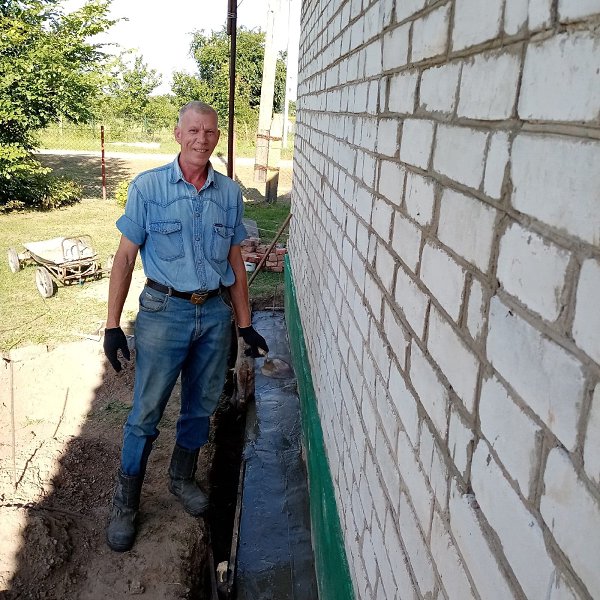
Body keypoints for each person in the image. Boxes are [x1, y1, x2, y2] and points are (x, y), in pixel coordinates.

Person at [102, 100, 268, 552]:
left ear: (217, 137)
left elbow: (235, 261)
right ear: (178, 134)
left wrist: (244, 325)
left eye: (209, 132)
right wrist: (113, 324)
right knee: (146, 412)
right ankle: (126, 502)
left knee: (201, 406)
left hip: (213, 314)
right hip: (163, 312)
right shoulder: (148, 187)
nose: (201, 139)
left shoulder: (229, 193)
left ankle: (182, 476)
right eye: (193, 131)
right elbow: (124, 257)